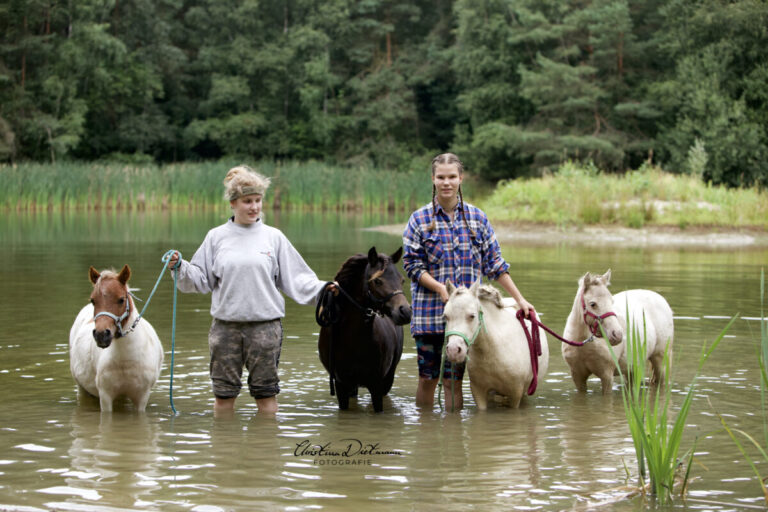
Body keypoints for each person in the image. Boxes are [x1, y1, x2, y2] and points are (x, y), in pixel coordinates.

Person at [168, 165, 331, 416]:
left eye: (258, 200)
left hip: (265, 330)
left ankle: (265, 451)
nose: (254, 207)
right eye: (247, 201)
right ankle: (224, 451)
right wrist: (180, 266)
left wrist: (327, 290)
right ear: (233, 203)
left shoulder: (273, 237)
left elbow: (297, 278)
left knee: (266, 397)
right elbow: (200, 280)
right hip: (225, 330)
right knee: (223, 398)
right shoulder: (216, 237)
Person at [402, 153, 534, 410]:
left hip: (467, 322)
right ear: (433, 179)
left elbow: (495, 265)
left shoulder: (478, 219)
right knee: (427, 379)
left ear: (461, 179)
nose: (446, 182)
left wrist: (519, 300)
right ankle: (426, 438)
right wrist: (440, 288)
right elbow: (412, 266)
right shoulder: (418, 220)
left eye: (452, 177)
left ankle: (452, 439)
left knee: (453, 382)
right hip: (430, 315)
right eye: (441, 177)